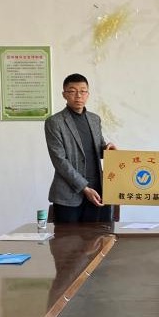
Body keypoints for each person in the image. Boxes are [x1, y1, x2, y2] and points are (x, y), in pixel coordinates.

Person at [44, 73, 117, 223]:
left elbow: (97, 148)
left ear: (88, 94)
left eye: (83, 91)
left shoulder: (94, 119)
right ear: (64, 94)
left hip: (98, 190)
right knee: (68, 237)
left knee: (99, 235)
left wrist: (107, 149)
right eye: (72, 91)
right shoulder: (54, 122)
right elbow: (60, 161)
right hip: (68, 195)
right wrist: (84, 188)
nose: (78, 96)